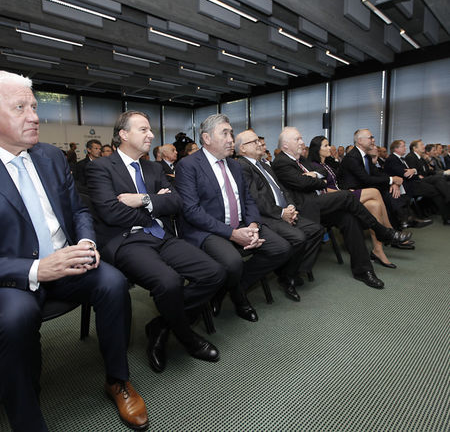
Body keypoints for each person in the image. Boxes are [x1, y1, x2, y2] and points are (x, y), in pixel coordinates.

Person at [0, 71, 148, 431]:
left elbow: (80, 211)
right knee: (14, 320)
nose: (34, 116)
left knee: (113, 283)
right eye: (20, 108)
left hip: (68, 261)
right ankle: (26, 419)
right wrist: (37, 270)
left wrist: (85, 243)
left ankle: (117, 379)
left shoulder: (50, 156)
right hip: (15, 276)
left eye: (34, 107)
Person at [86, 111, 225, 373]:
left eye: (150, 130)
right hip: (127, 240)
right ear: (123, 134)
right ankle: (187, 338)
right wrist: (155, 204)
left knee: (214, 272)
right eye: (143, 130)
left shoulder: (153, 167)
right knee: (169, 282)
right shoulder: (101, 167)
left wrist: (143, 199)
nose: (151, 135)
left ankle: (161, 325)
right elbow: (110, 212)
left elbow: (176, 202)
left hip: (161, 235)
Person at [176, 114, 291, 321]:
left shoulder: (235, 165)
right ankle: (239, 297)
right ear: (207, 138)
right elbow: (192, 211)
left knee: (281, 248)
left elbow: (248, 200)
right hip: (209, 230)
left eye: (231, 133)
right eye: (225, 134)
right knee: (233, 262)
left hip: (242, 225)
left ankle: (227, 287)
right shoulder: (188, 165)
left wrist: (253, 225)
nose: (231, 139)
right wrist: (232, 234)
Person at [272, 127, 411, 289]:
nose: (302, 142)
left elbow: (322, 172)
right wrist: (317, 180)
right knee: (346, 196)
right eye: (297, 139)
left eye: (301, 138)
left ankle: (363, 270)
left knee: (349, 218)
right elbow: (303, 183)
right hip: (305, 208)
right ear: (285, 145)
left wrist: (314, 175)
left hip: (320, 203)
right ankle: (383, 231)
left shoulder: (301, 160)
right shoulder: (281, 162)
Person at [236, 130, 323, 301]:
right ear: (243, 149)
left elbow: (282, 189)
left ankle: (289, 272)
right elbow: (255, 199)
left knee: (316, 230)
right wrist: (281, 213)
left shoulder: (265, 164)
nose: (259, 144)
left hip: (283, 211)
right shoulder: (242, 166)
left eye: (259, 140)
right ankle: (287, 277)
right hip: (266, 217)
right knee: (298, 238)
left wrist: (290, 206)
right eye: (254, 142)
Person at [309, 135, 397, 268]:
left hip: (342, 194)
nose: (330, 148)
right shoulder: (314, 166)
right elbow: (323, 189)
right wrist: (343, 193)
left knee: (375, 205)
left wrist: (344, 190)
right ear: (317, 149)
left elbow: (336, 183)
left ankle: (378, 250)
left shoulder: (326, 164)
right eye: (326, 146)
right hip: (337, 199)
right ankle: (390, 231)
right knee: (375, 192)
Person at [338, 129, 410, 230]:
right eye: (370, 138)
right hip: (352, 191)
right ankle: (394, 227)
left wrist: (392, 181)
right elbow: (366, 179)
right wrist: (391, 179)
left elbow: (378, 173)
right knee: (385, 193)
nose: (373, 140)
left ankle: (396, 225)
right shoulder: (352, 157)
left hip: (364, 187)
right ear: (360, 141)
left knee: (389, 190)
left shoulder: (365, 156)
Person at [384, 140, 449, 225]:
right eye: (403, 146)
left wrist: (413, 171)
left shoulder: (401, 159)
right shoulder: (392, 159)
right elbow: (406, 174)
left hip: (413, 182)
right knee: (437, 184)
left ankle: (447, 214)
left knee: (438, 184)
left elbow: (413, 172)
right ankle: (447, 211)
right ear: (396, 149)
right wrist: (415, 173)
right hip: (408, 185)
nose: (405, 148)